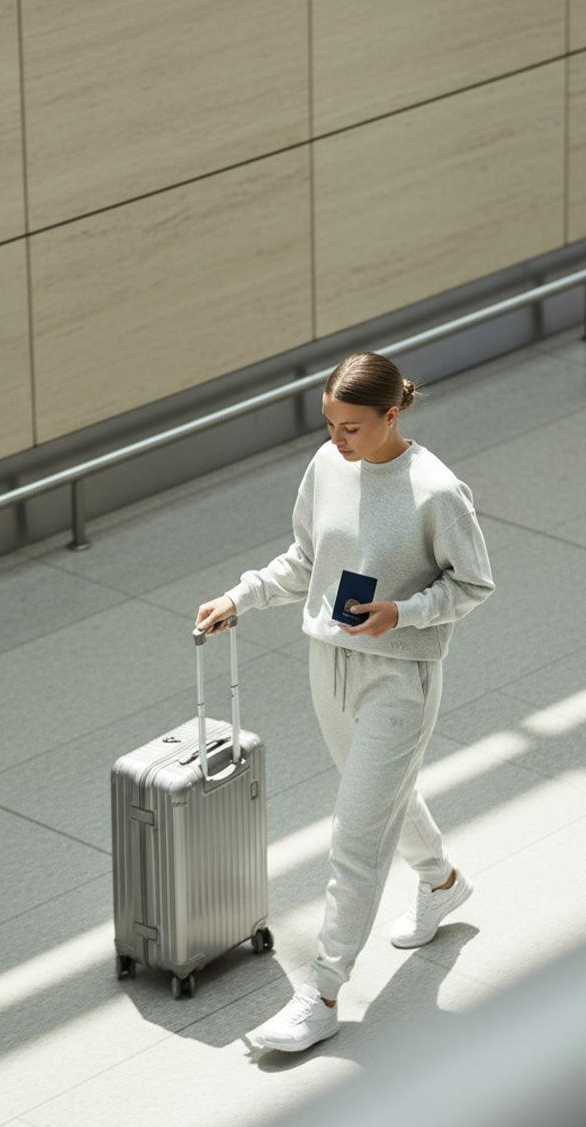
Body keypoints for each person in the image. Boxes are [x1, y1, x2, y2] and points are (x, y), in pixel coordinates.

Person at [196, 352, 494, 1052]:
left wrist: (404, 612)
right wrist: (240, 596)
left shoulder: (436, 490)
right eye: (330, 423)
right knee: (383, 796)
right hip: (327, 662)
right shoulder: (328, 466)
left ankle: (322, 991)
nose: (337, 440)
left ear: (393, 415)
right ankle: (441, 880)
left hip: (399, 678)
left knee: (353, 837)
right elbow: (306, 559)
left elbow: (473, 584)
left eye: (352, 427)